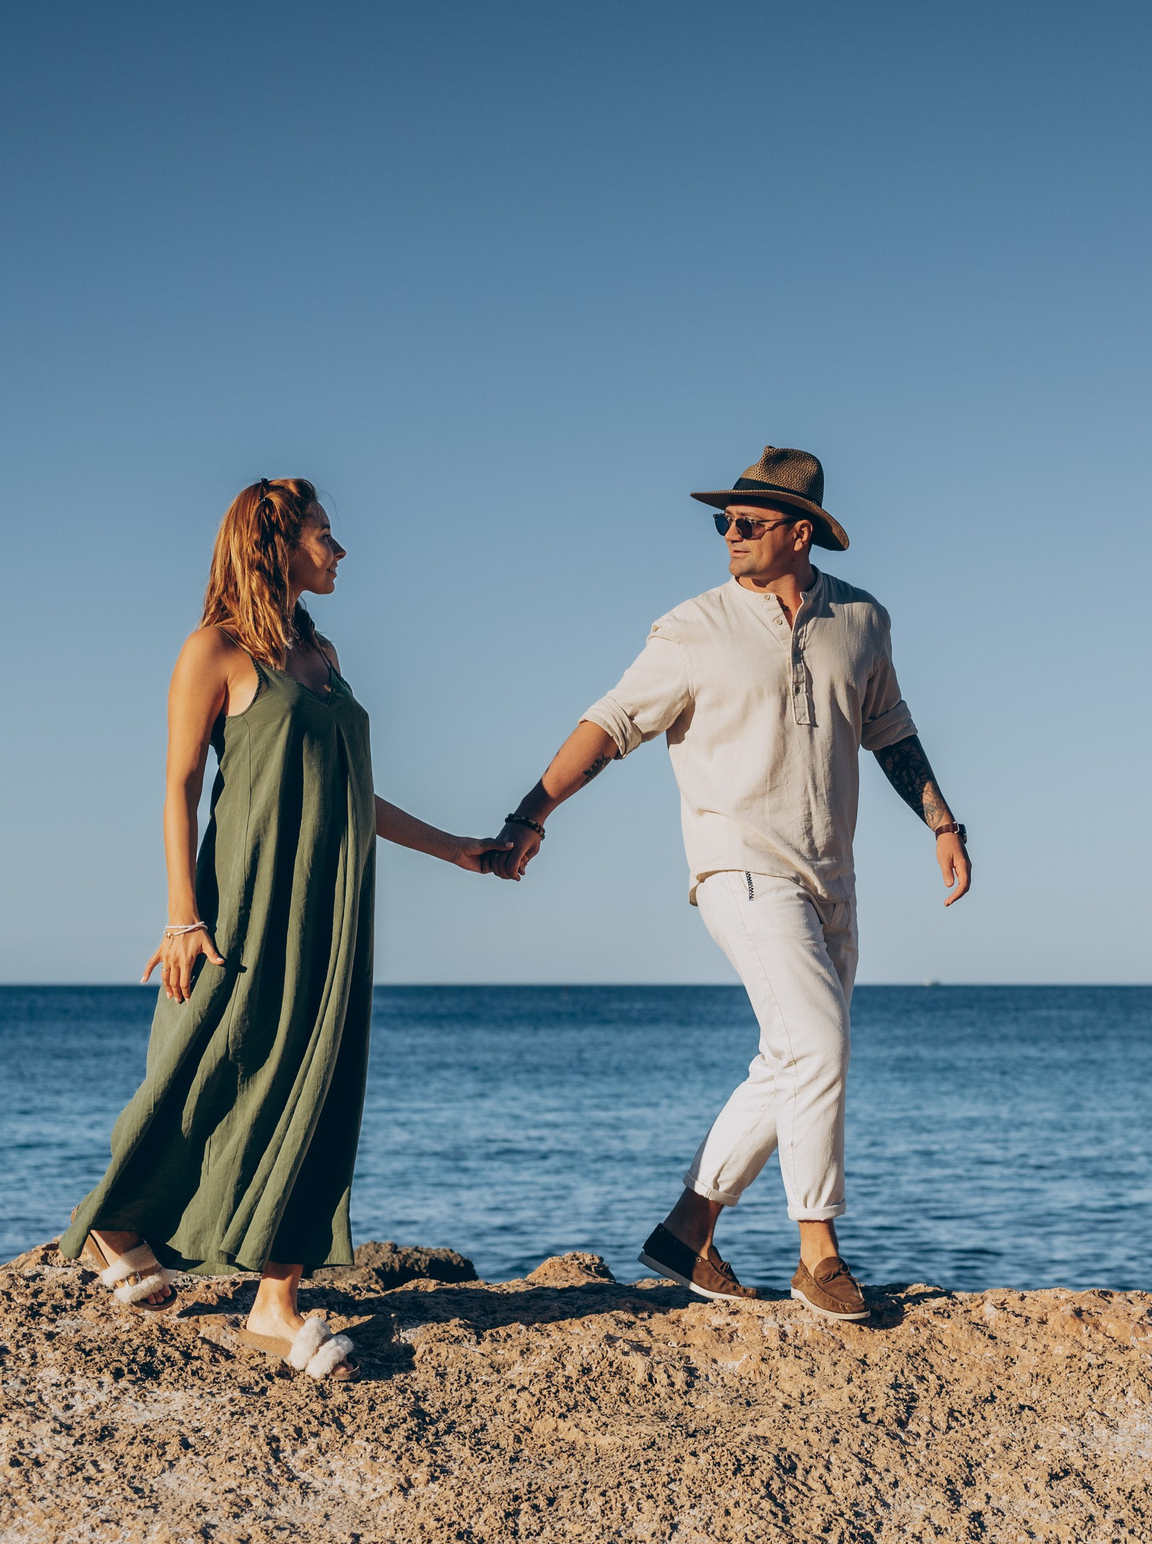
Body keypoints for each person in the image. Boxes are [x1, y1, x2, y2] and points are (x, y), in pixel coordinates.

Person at [487, 447, 971, 1323]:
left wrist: (942, 821)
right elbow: (607, 726)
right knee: (819, 1044)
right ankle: (816, 1252)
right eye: (725, 522)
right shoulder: (691, 628)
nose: (730, 536)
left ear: (801, 532)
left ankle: (689, 1227)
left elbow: (891, 730)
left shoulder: (863, 619)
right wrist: (530, 815)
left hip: (832, 875)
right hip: (737, 868)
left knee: (790, 1058)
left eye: (749, 523)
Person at [59, 478, 501, 1381]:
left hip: (331, 902)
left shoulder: (323, 655)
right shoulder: (213, 652)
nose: (340, 552)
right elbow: (181, 785)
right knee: (206, 1058)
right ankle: (117, 1223)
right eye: (324, 536)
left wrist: (455, 848)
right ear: (275, 545)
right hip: (243, 896)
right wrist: (182, 914)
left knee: (317, 1084)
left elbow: (348, 790)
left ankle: (274, 1300)